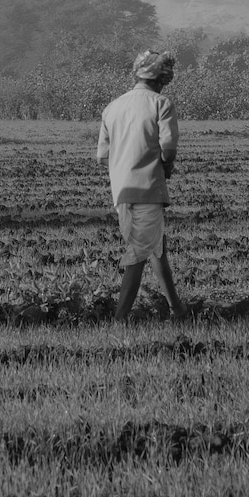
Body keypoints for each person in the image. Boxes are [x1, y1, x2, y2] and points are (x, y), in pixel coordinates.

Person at [95, 46, 184, 319]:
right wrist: (166, 167)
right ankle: (120, 320)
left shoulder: (112, 107)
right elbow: (168, 149)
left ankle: (177, 309)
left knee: (156, 247)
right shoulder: (161, 104)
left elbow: (102, 156)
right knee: (138, 254)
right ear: (161, 80)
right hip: (148, 190)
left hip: (122, 192)